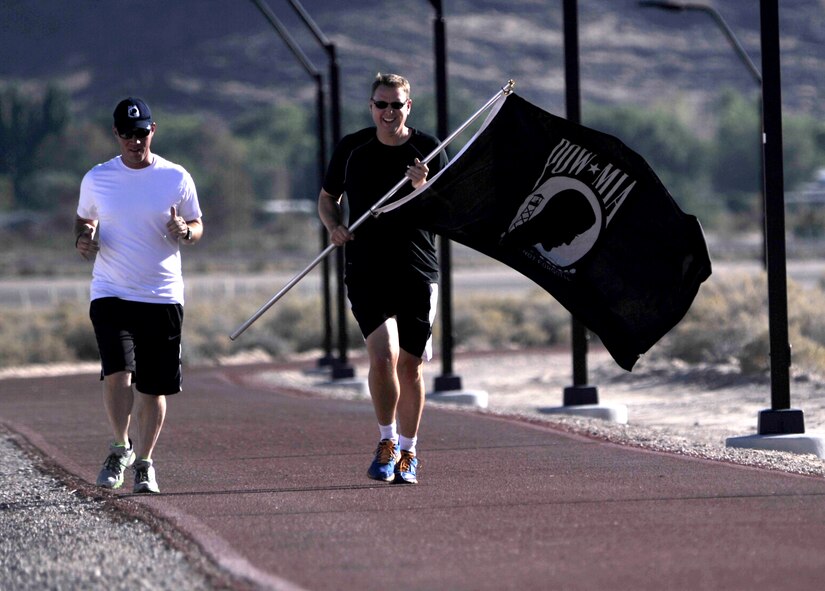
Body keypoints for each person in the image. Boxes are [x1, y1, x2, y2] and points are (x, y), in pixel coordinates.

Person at [318, 73, 447, 485]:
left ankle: (409, 451)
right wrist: (334, 226)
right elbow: (327, 198)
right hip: (366, 268)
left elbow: (447, 208)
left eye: (397, 105)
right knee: (381, 356)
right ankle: (386, 441)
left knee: (409, 367)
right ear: (371, 107)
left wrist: (423, 185)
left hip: (416, 269)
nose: (388, 112)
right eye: (381, 104)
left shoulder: (428, 149)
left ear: (409, 107)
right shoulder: (352, 148)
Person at [75, 97, 203, 494]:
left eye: (142, 132)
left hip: (162, 295)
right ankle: (119, 446)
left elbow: (198, 225)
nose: (135, 140)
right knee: (117, 373)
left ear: (153, 130)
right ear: (116, 134)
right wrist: (84, 238)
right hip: (111, 290)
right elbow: (85, 219)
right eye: (127, 133)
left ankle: (144, 462)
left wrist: (185, 231)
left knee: (153, 388)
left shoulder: (176, 177)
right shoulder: (97, 178)